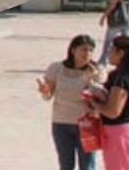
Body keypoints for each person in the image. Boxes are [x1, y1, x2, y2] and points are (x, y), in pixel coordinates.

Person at [37, 34, 102, 170]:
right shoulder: (56, 68)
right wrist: (45, 90)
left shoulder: (97, 71)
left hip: (87, 123)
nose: (87, 54)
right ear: (73, 50)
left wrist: (92, 80)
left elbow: (99, 99)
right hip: (61, 123)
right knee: (65, 165)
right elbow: (48, 96)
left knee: (88, 165)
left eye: (91, 50)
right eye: (84, 49)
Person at [87, 35, 129, 170]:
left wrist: (94, 102)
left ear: (121, 53)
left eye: (111, 50)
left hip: (118, 132)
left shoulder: (122, 80)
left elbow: (113, 111)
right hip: (126, 128)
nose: (108, 54)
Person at [98, 0, 129, 65]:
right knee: (127, 42)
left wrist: (104, 16)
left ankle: (103, 60)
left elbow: (112, 6)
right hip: (126, 21)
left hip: (116, 22)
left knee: (108, 42)